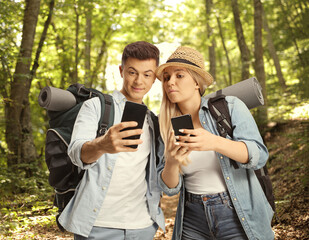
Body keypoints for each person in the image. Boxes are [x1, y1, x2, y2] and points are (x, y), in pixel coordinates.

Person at [155, 46, 274, 240]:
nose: (170, 82)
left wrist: (215, 142)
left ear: (196, 82)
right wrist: (172, 162)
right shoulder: (165, 124)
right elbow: (169, 189)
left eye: (179, 76)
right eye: (167, 77)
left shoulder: (230, 106)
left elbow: (259, 155)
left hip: (235, 212)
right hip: (192, 218)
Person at [58, 41, 165, 239]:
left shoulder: (154, 122)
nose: (139, 81)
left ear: (155, 78)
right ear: (121, 70)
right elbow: (75, 152)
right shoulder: (96, 107)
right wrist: (102, 144)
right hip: (97, 226)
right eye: (132, 72)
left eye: (147, 74)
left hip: (142, 226)